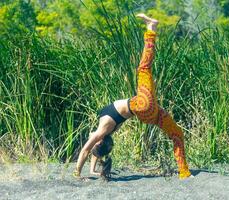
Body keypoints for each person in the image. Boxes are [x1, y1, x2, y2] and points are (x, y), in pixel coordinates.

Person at [73, 13, 192, 179]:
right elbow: (87, 149)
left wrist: (93, 170)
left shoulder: (105, 133)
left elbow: (95, 151)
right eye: (93, 139)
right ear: (99, 141)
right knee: (144, 69)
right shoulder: (103, 127)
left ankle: (184, 172)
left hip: (151, 113)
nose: (90, 137)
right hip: (142, 104)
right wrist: (77, 173)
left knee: (177, 133)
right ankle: (151, 28)